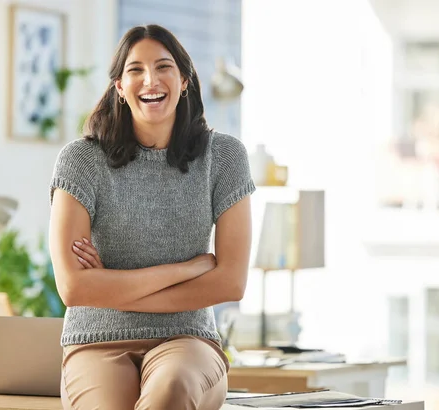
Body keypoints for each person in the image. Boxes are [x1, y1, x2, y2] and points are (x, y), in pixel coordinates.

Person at [49, 24, 255, 410]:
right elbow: (75, 289)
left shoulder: (224, 157)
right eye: (135, 70)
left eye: (163, 67)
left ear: (184, 81)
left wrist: (109, 286)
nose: (151, 80)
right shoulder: (80, 161)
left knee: (170, 390)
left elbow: (231, 282)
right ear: (119, 88)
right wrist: (186, 269)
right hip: (96, 343)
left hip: (188, 341)